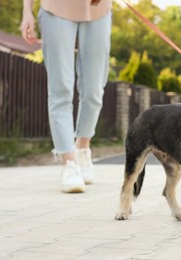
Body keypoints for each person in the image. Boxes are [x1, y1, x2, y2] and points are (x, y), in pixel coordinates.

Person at [21, 0, 112, 193]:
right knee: (60, 90)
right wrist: (27, 12)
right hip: (56, 8)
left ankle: (82, 148)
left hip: (98, 10)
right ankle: (69, 163)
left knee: (94, 91)